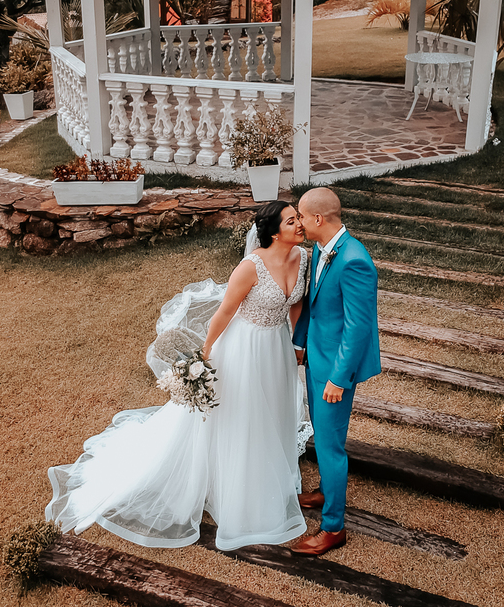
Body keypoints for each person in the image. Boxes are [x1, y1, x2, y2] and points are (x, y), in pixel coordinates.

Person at [44, 201, 309, 551]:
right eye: (292, 221)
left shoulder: (303, 257)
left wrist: (295, 343)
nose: (300, 225)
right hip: (243, 348)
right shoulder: (250, 267)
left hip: (276, 347)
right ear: (275, 231)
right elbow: (224, 312)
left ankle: (267, 467)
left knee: (273, 406)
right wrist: (206, 356)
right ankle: (235, 480)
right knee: (239, 412)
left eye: (299, 219)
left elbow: (295, 303)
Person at [290, 187, 381, 557]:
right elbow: (314, 303)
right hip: (316, 358)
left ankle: (333, 528)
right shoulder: (321, 248)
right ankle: (328, 489)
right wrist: (300, 344)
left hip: (333, 371)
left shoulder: (355, 260)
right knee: (325, 436)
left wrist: (338, 380)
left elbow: (359, 327)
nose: (296, 221)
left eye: (300, 215)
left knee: (329, 443)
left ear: (318, 219)